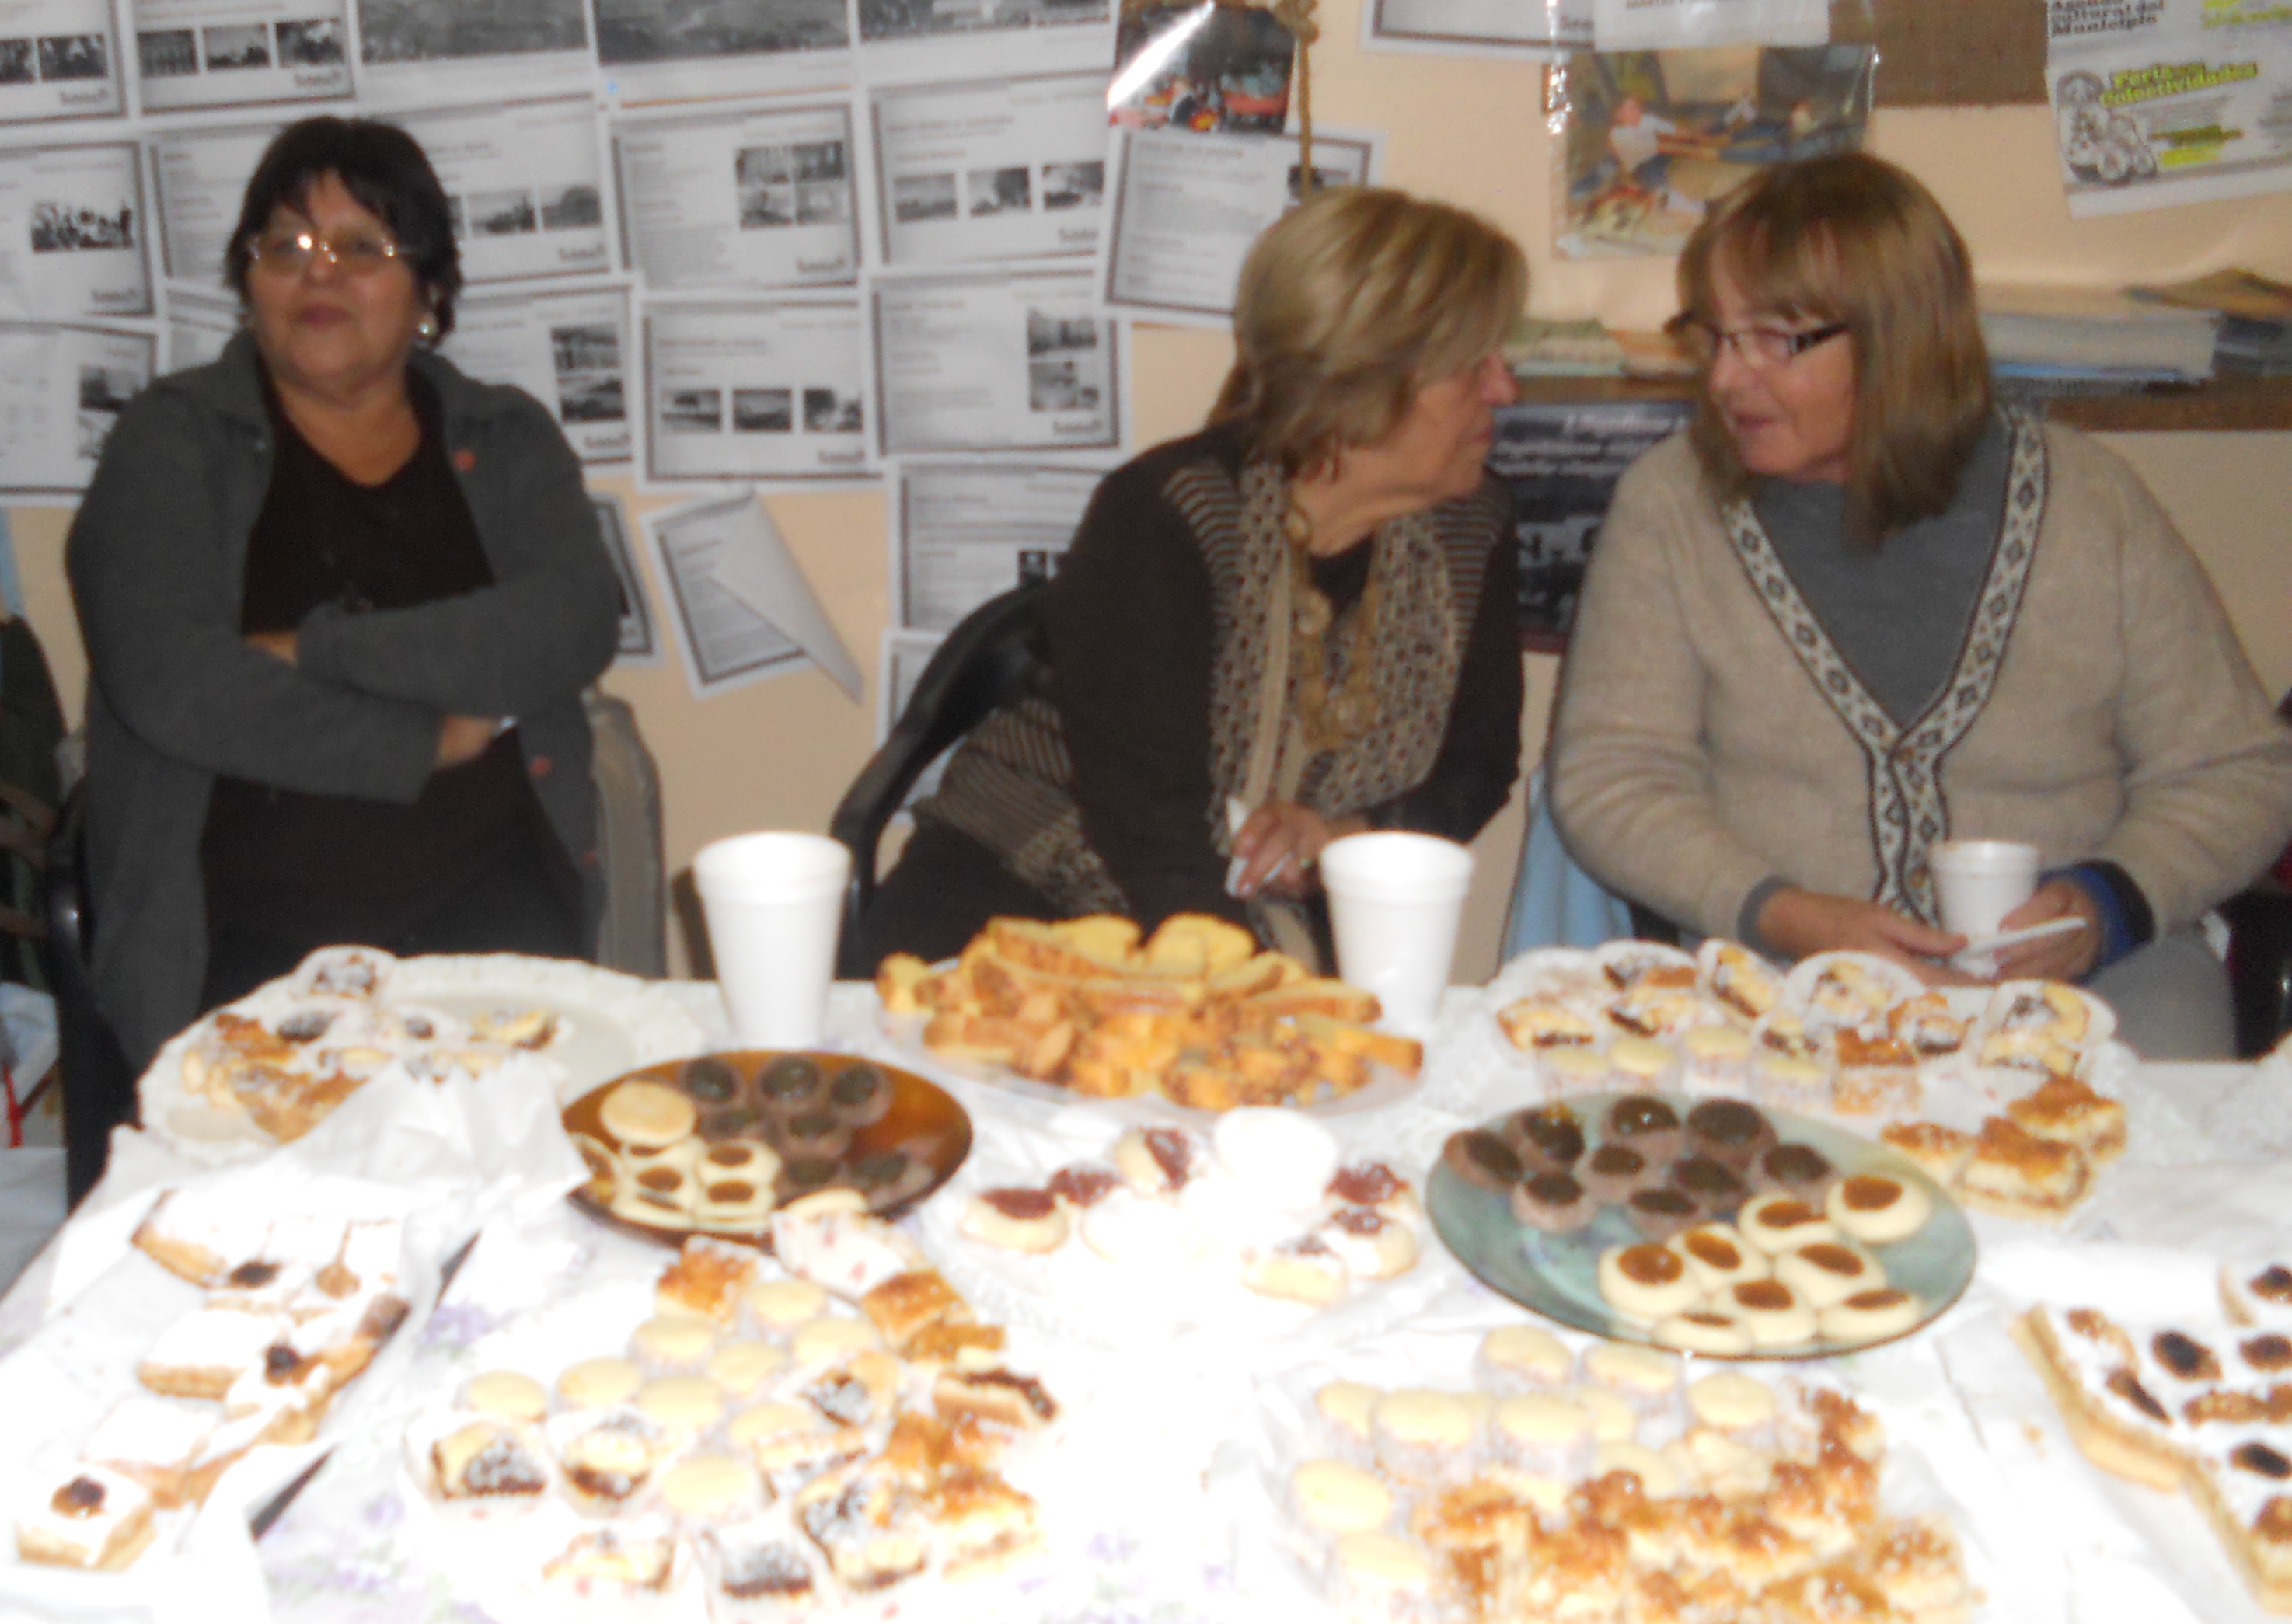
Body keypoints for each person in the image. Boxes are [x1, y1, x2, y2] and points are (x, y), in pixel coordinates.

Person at [1550, 153, 2292, 1056]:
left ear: (1897, 340)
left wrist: (2110, 901)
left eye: (1774, 341)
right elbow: (1613, 778)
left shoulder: (2089, 503)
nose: (1724, 380)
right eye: (1713, 335)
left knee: (2159, 1130)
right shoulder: (1672, 508)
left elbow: (2236, 770)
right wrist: (1791, 917)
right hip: (1782, 979)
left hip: (2090, 984)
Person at [66, 116, 622, 1085]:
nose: (317, 275)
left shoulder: (505, 435)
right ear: (249, 282)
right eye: (285, 248)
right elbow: (175, 683)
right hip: (247, 933)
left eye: (361, 248)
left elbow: (570, 618)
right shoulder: (173, 441)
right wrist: (423, 740)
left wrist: (314, 650)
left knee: (515, 1145)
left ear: (428, 291)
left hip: (490, 897)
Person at [862, 185, 1529, 966]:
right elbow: (1151, 826)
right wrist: (1253, 999)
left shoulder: (1471, 527)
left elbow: (1476, 766)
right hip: (1029, 877)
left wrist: (1344, 837)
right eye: (1473, 366)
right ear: (1366, 382)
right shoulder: (1171, 515)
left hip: (1260, 900)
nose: (1505, 389)